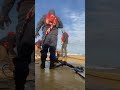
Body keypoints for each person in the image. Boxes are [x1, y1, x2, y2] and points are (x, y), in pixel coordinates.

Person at [0, 0, 35, 90]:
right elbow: (10, 50)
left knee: (22, 57)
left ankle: (19, 85)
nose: (17, 11)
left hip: (29, 9)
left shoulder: (14, 36)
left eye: (17, 9)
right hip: (3, 48)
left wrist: (3, 14)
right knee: (21, 57)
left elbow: (12, 49)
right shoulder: (10, 38)